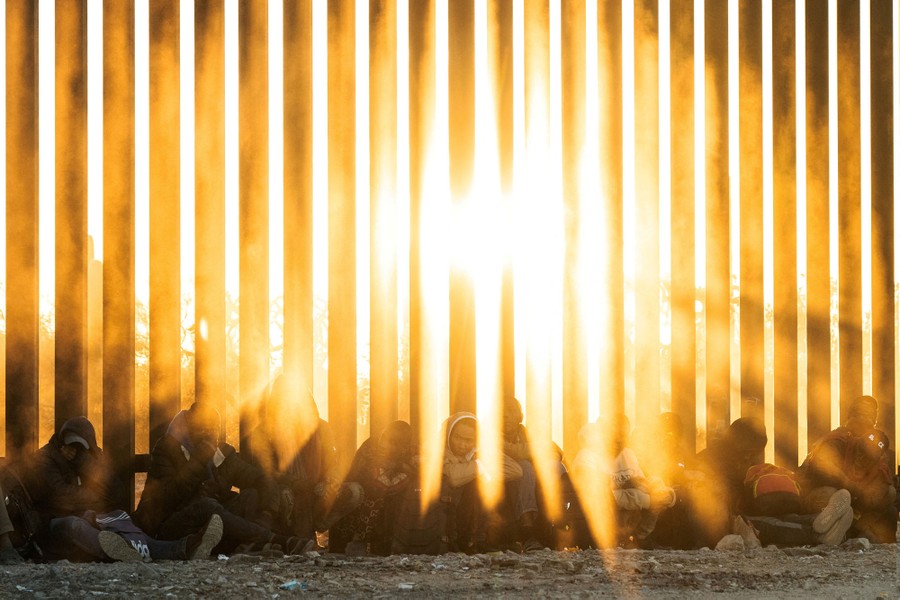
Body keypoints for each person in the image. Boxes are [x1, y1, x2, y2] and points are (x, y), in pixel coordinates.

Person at [3, 416, 222, 562]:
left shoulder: (88, 458)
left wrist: (87, 465)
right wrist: (95, 497)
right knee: (75, 525)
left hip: (93, 517)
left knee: (123, 522)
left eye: (80, 447)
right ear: (61, 441)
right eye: (70, 445)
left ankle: (186, 548)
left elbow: (115, 492)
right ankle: (121, 554)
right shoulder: (45, 460)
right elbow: (63, 499)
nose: (73, 450)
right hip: (52, 527)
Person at [134, 402, 309, 555]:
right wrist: (197, 463)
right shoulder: (167, 448)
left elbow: (262, 479)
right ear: (189, 427)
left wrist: (265, 515)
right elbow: (163, 499)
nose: (208, 434)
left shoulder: (222, 454)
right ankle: (278, 540)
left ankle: (251, 543)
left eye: (213, 429)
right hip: (173, 525)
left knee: (251, 497)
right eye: (202, 428)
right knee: (207, 506)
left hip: (215, 525)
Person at [248, 376, 363, 542]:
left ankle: (314, 528)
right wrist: (294, 482)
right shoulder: (264, 431)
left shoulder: (321, 427)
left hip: (317, 490)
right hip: (285, 493)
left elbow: (332, 462)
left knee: (354, 492)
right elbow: (265, 471)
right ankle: (291, 538)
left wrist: (333, 480)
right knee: (286, 495)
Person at [572, 415, 676, 548]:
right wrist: (648, 500)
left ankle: (639, 539)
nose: (620, 441)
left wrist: (662, 493)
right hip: (598, 526)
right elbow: (601, 499)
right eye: (615, 436)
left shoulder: (627, 454)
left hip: (630, 518)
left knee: (656, 483)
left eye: (623, 436)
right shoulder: (586, 457)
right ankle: (629, 540)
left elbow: (640, 483)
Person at [798, 421, 897, 543]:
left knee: (889, 506)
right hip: (814, 496)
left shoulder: (880, 471)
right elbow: (823, 466)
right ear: (857, 441)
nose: (861, 458)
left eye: (868, 458)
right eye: (860, 450)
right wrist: (852, 487)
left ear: (877, 460)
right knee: (831, 494)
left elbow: (882, 498)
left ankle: (847, 532)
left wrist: (862, 524)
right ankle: (821, 529)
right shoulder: (838, 442)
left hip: (853, 512)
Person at [329, 421, 417, 555]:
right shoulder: (369, 449)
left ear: (403, 447)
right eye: (384, 437)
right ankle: (357, 542)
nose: (384, 444)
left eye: (392, 442)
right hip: (359, 499)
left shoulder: (409, 454)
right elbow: (377, 484)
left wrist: (400, 466)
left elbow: (421, 470)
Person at [441, 412, 523, 552]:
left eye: (468, 440)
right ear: (449, 434)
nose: (462, 445)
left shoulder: (477, 452)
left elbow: (515, 470)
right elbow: (454, 478)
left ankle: (483, 539)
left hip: (471, 511)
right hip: (444, 513)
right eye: (457, 438)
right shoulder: (439, 450)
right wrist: (479, 465)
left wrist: (486, 452)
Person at [688, 416, 767, 548]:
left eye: (753, 452)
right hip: (720, 519)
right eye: (747, 452)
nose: (749, 456)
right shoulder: (714, 458)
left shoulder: (739, 457)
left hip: (735, 514)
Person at [501, 396, 564, 552]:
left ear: (520, 417)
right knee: (525, 468)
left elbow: (556, 451)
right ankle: (527, 531)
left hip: (529, 483)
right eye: (501, 412)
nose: (506, 416)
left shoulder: (526, 433)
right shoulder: (490, 436)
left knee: (556, 467)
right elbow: (513, 451)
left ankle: (562, 521)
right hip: (504, 482)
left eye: (510, 411)